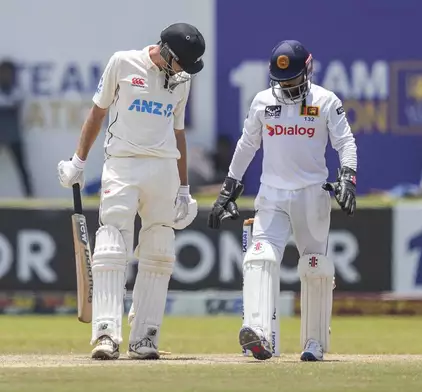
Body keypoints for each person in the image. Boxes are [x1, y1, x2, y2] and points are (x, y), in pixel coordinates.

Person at [57, 23, 203, 360]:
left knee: (160, 250)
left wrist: (184, 188)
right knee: (111, 246)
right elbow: (98, 112)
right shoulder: (123, 63)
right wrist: (78, 162)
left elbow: (178, 132)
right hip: (122, 165)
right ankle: (106, 334)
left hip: (164, 168)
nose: (182, 71)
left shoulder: (183, 79)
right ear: (166, 51)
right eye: (181, 63)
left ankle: (144, 337)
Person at [207, 40, 357, 362]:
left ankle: (314, 342)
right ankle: (258, 332)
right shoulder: (262, 101)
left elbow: (345, 141)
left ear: (308, 70)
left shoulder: (326, 100)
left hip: (312, 195)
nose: (286, 87)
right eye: (281, 81)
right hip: (272, 193)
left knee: (315, 267)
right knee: (259, 257)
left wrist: (348, 177)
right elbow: (247, 145)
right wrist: (229, 187)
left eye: (292, 81)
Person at [0, 60, 33, 197]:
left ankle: (30, 197)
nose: (6, 76)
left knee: (22, 168)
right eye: (3, 72)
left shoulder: (17, 90)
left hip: (14, 135)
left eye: (9, 73)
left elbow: (15, 102)